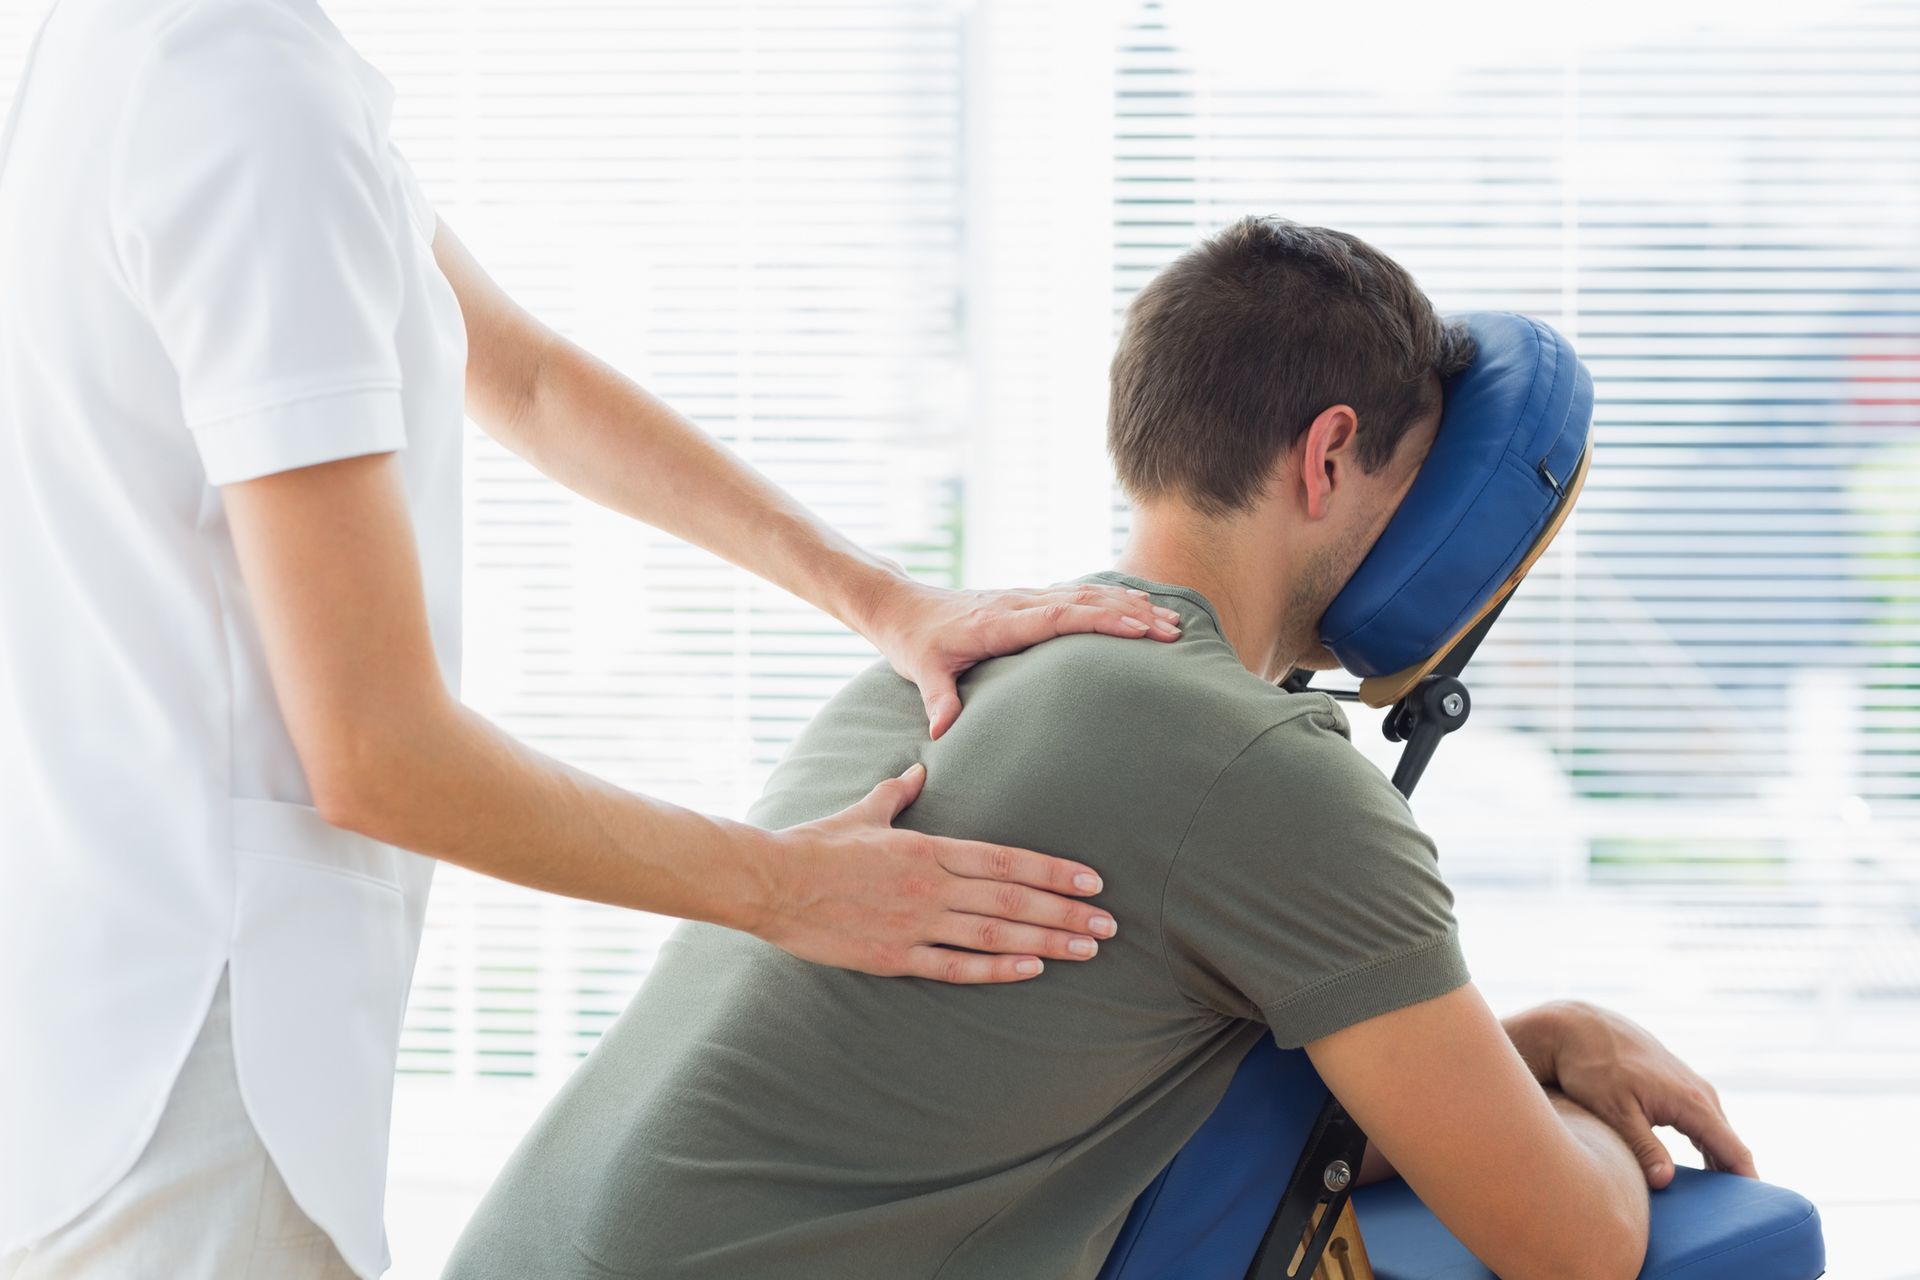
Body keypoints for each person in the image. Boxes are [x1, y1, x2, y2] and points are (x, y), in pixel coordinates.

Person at [0, 1, 1180, 1277]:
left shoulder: (121, 46)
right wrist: (791, 889)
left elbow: (517, 372)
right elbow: (374, 750)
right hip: (202, 1062)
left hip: (98, 1021)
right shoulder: (245, 91)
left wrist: (879, 594)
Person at [444, 217, 1759, 1280]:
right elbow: (1571, 1246)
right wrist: (1588, 1116)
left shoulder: (942, 670)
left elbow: (1052, 1061)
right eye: (1415, 478)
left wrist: (1527, 1040)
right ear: (1332, 456)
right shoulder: (1264, 768)